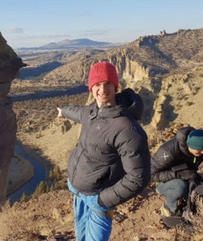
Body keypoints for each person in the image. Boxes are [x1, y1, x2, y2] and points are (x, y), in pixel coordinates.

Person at [57, 61, 151, 241]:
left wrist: (103, 200)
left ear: (116, 86)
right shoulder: (93, 111)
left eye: (108, 83)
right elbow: (77, 112)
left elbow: (139, 177)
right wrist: (63, 111)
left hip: (98, 199)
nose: (102, 89)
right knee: (81, 237)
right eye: (97, 85)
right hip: (78, 192)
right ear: (91, 88)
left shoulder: (126, 127)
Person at [151, 127, 203, 219]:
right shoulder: (168, 151)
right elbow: (151, 175)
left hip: (189, 176)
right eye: (199, 150)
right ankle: (169, 208)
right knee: (180, 187)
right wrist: (178, 174)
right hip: (163, 182)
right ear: (189, 146)